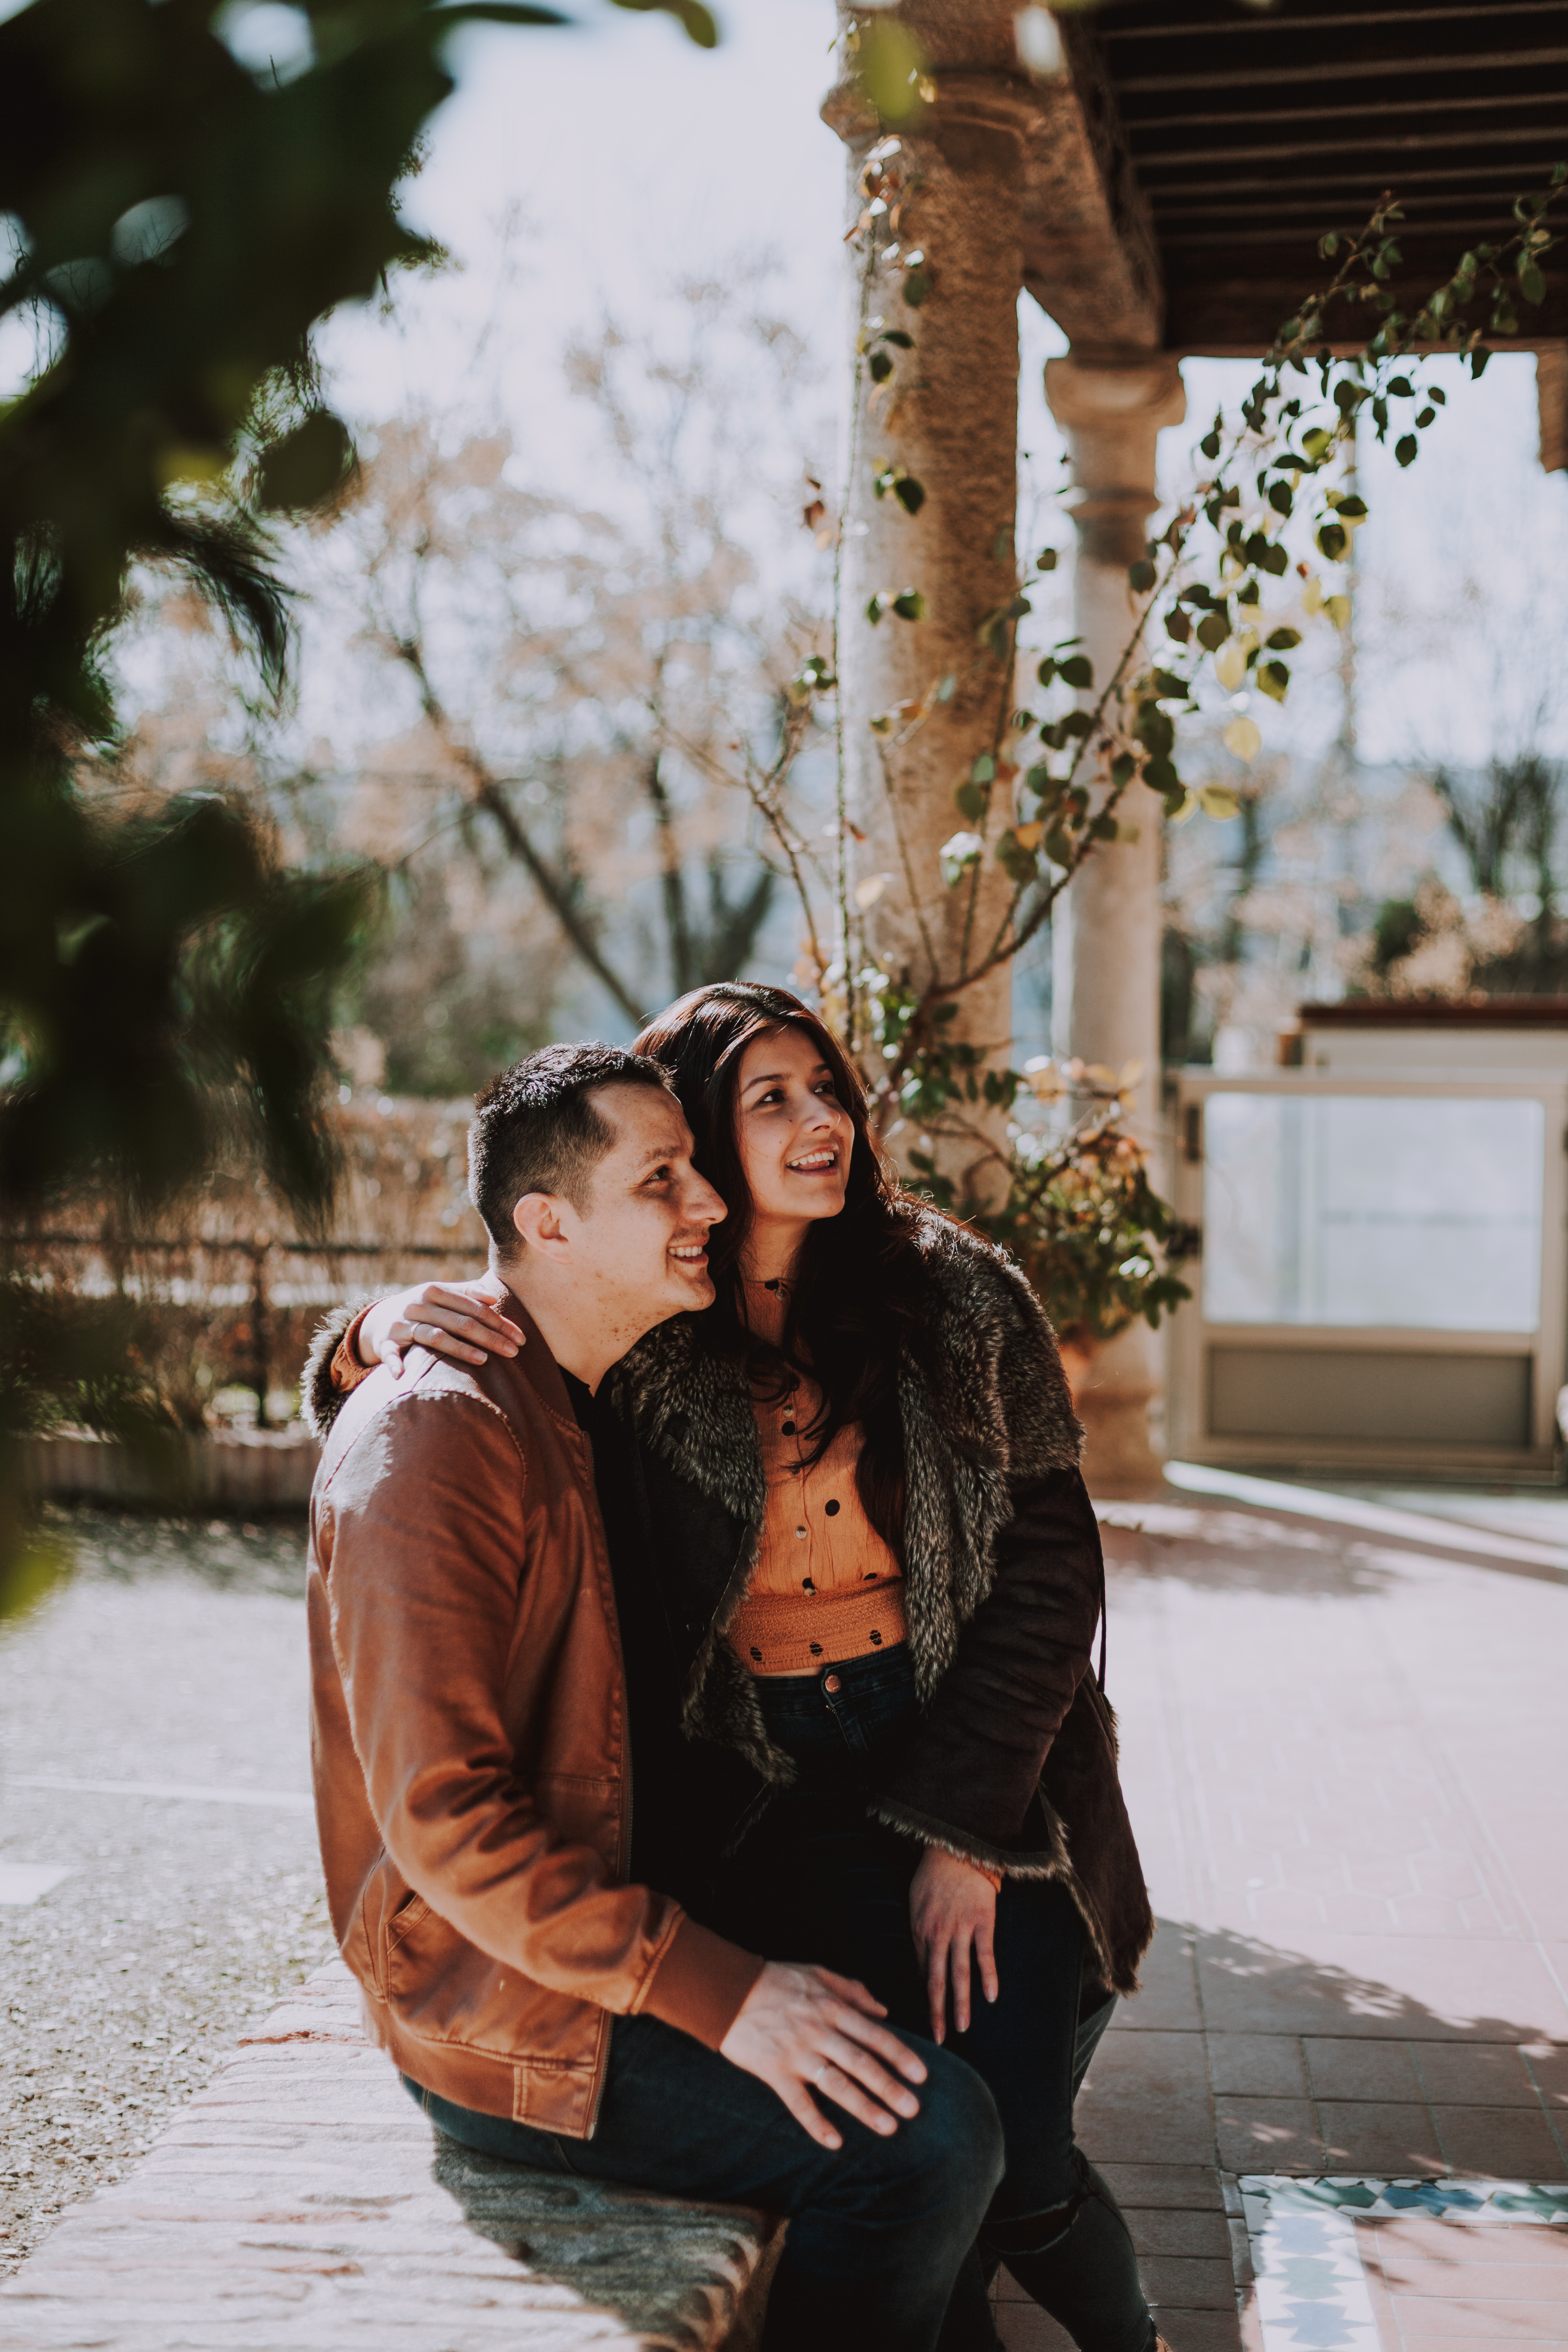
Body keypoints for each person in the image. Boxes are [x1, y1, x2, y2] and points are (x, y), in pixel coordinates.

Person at [309, 989, 1168, 2352]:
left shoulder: (950, 1297)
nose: (822, 1120)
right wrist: (366, 1335)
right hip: (763, 1792)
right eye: (769, 1100)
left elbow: (1056, 1573)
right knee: (917, 2146)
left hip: (972, 1761)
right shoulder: (651, 1335)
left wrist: (969, 1828)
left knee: (1011, 2157)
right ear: (703, 1139)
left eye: (829, 1088)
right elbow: (513, 1294)